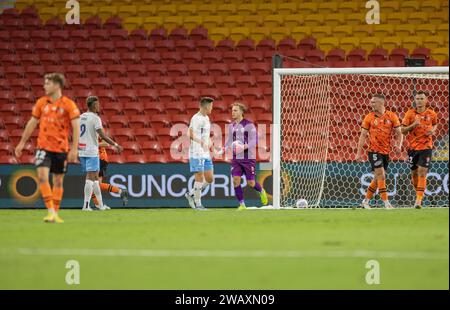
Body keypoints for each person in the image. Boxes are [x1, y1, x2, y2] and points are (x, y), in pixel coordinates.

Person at [14, 73, 80, 223]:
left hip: (61, 148)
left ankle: (55, 213)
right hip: (43, 147)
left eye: (47, 83)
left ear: (57, 85)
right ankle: (50, 211)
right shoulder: (41, 103)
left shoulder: (69, 104)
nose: (44, 86)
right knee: (43, 177)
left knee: (58, 181)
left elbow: (76, 127)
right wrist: (22, 142)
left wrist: (74, 149)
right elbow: (32, 123)